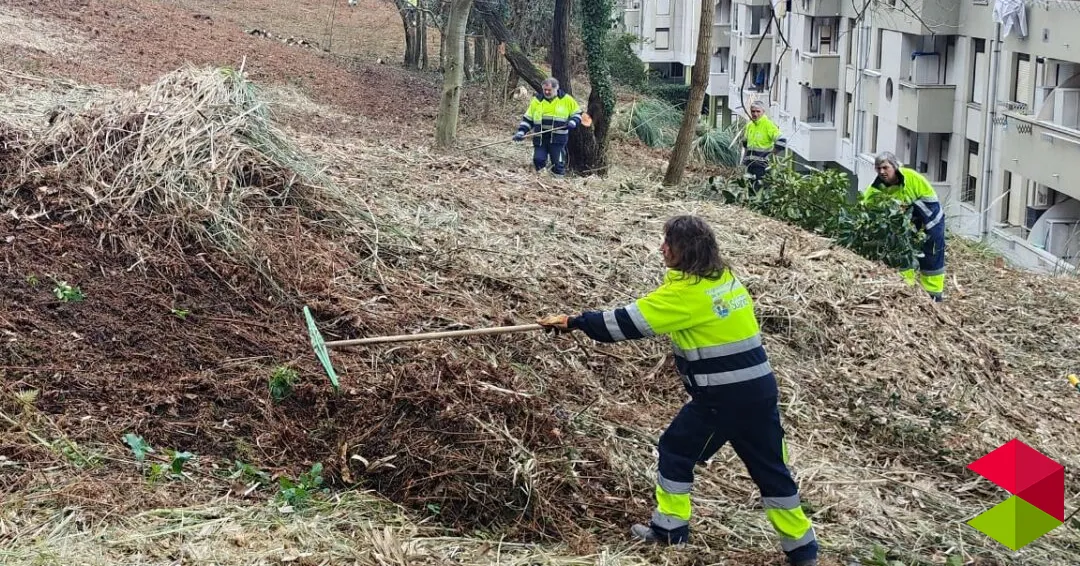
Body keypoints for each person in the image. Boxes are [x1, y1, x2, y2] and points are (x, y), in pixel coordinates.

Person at [537, 215, 819, 566]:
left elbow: (627, 322)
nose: (661, 248)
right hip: (760, 391)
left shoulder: (688, 295)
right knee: (770, 469)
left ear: (682, 250)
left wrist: (575, 322)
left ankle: (669, 530)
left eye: (666, 242)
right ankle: (803, 550)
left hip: (722, 398)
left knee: (676, 449)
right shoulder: (725, 280)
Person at [861, 152, 946, 302]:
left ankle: (933, 296)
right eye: (878, 168)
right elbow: (865, 210)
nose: (881, 172)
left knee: (932, 256)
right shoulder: (875, 190)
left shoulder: (912, 178)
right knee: (900, 254)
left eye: (885, 167)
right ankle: (907, 291)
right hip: (903, 227)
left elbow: (930, 203)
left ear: (895, 166)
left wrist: (906, 211)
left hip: (930, 221)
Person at [513, 77, 582, 178]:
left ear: (556, 89)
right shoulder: (537, 101)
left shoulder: (567, 99)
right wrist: (522, 131)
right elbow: (528, 119)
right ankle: (541, 181)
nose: (546, 92)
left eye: (549, 90)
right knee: (538, 160)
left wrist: (573, 121)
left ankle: (558, 184)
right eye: (545, 89)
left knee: (558, 164)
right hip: (540, 138)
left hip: (558, 139)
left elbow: (578, 114)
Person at [741, 100, 786, 191]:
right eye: (753, 111)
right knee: (750, 190)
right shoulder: (750, 125)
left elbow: (782, 141)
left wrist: (772, 154)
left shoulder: (768, 124)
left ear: (763, 112)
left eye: (758, 111)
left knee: (759, 191)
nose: (755, 114)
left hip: (762, 166)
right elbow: (745, 144)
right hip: (750, 165)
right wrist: (743, 161)